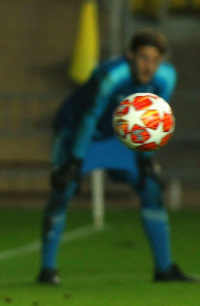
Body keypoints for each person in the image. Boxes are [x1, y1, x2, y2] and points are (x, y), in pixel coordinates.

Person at [37, 28, 197, 285]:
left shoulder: (166, 78)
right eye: (144, 58)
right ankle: (47, 269)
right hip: (80, 133)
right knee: (63, 190)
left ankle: (164, 268)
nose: (149, 66)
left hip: (117, 138)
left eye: (155, 61)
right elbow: (89, 117)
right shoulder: (112, 77)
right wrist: (75, 162)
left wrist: (147, 159)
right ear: (130, 55)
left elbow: (155, 122)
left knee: (151, 190)